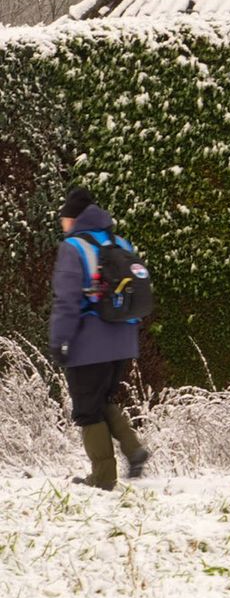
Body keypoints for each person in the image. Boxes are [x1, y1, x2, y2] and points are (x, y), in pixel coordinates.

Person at [49, 187, 150, 490]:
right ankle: (135, 450)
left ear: (74, 219)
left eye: (64, 219)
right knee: (102, 399)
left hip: (89, 341)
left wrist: (60, 340)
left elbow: (66, 302)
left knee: (86, 410)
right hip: (123, 340)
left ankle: (103, 478)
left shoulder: (74, 247)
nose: (62, 224)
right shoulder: (120, 242)